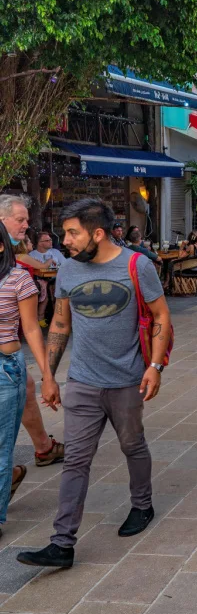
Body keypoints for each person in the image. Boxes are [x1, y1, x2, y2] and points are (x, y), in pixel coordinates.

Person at [17, 198, 172, 569]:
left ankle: (142, 505)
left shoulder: (137, 265)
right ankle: (62, 543)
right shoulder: (68, 270)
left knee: (132, 445)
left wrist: (154, 367)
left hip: (127, 380)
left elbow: (161, 314)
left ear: (97, 233)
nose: (64, 239)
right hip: (83, 381)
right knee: (75, 463)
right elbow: (59, 323)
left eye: (73, 233)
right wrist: (50, 376)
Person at [0, 222, 59, 538]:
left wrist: (48, 375)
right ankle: (8, 479)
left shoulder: (17, 278)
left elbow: (33, 329)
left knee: (0, 446)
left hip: (5, 369)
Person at [0, 196, 64, 468]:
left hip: (10, 352)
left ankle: (43, 448)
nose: (27, 224)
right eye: (20, 219)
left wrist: (46, 375)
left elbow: (30, 328)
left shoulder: (15, 253)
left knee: (24, 387)